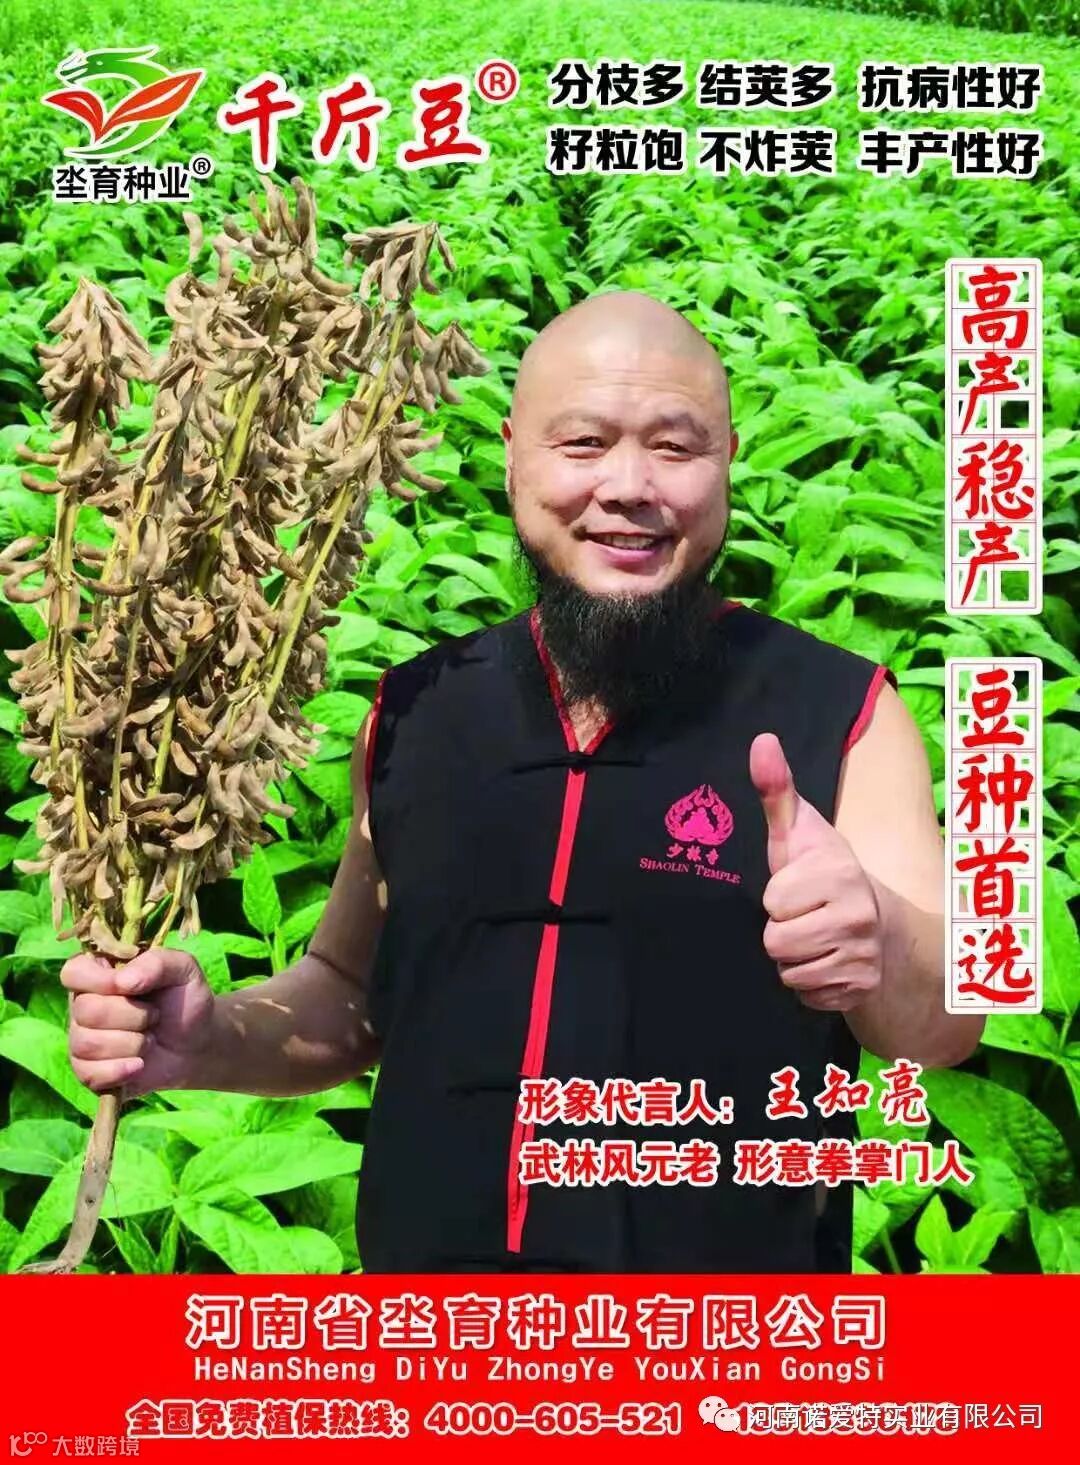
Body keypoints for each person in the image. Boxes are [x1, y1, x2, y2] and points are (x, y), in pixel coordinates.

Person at [60, 291, 984, 1273]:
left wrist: (877, 934)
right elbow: (353, 992)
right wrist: (209, 1040)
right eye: (583, 443)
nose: (628, 486)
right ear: (512, 458)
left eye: (676, 447)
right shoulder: (414, 709)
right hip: (432, 1328)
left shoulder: (843, 711)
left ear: (728, 461)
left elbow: (948, 1024)